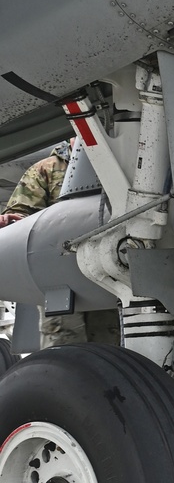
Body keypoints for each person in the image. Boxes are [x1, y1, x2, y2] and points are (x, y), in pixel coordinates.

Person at [0, 142, 120, 347]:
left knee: (112, 356)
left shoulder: (114, 164)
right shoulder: (46, 169)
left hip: (105, 283)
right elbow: (21, 221)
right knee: (63, 356)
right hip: (60, 289)